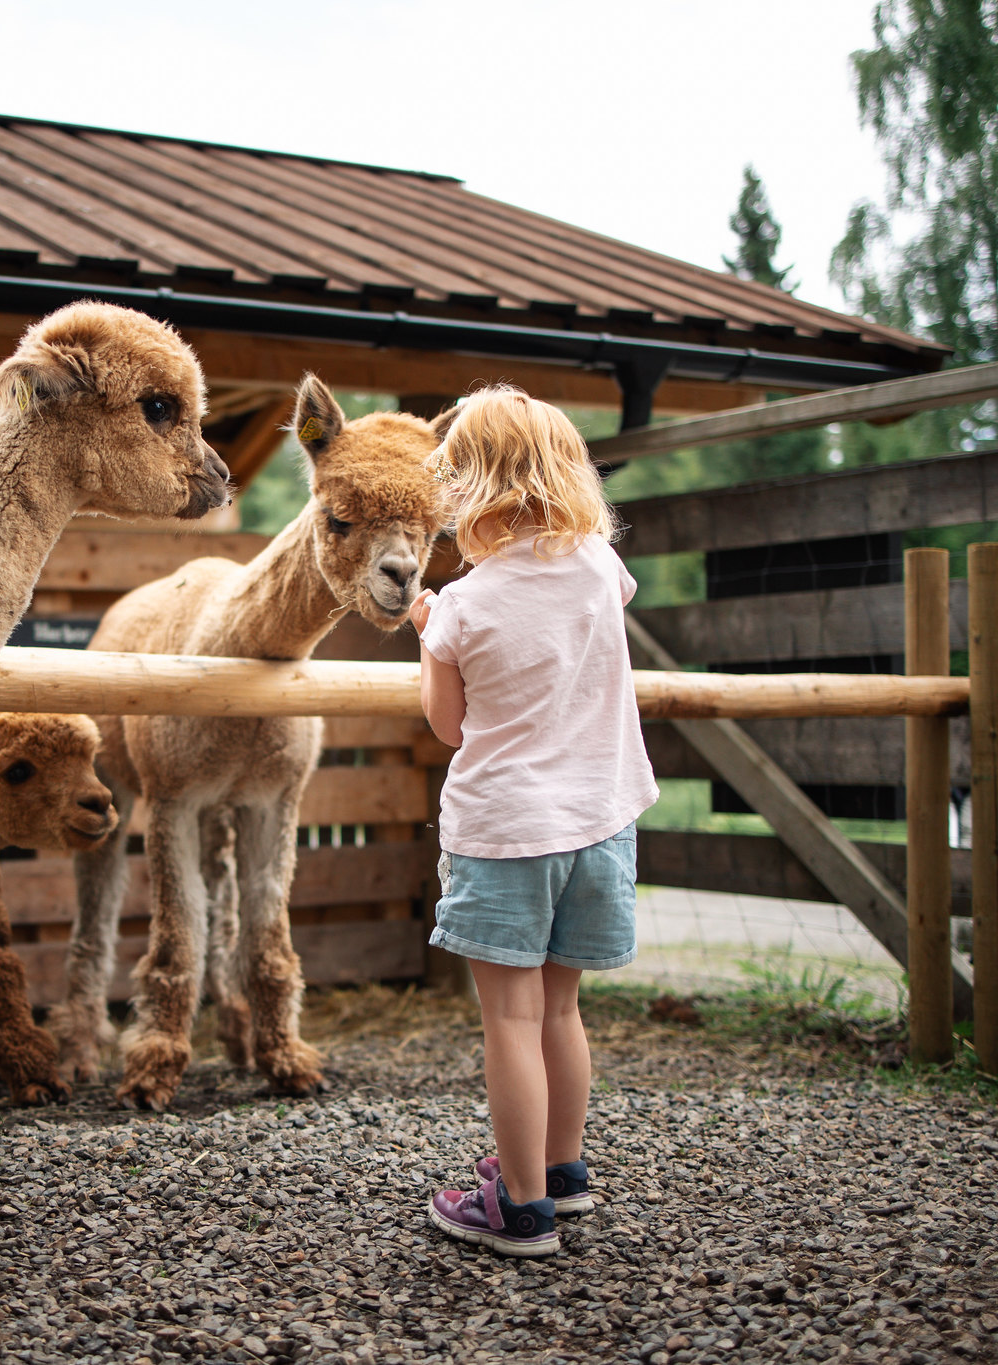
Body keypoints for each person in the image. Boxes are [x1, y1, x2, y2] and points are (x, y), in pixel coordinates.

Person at [409, 386, 657, 1258]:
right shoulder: (598, 565)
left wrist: (430, 632)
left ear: (468, 485)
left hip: (507, 830)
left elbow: (449, 726)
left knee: (509, 1020)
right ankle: (561, 1169)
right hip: (600, 821)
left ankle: (519, 1209)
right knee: (560, 1010)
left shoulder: (462, 604)